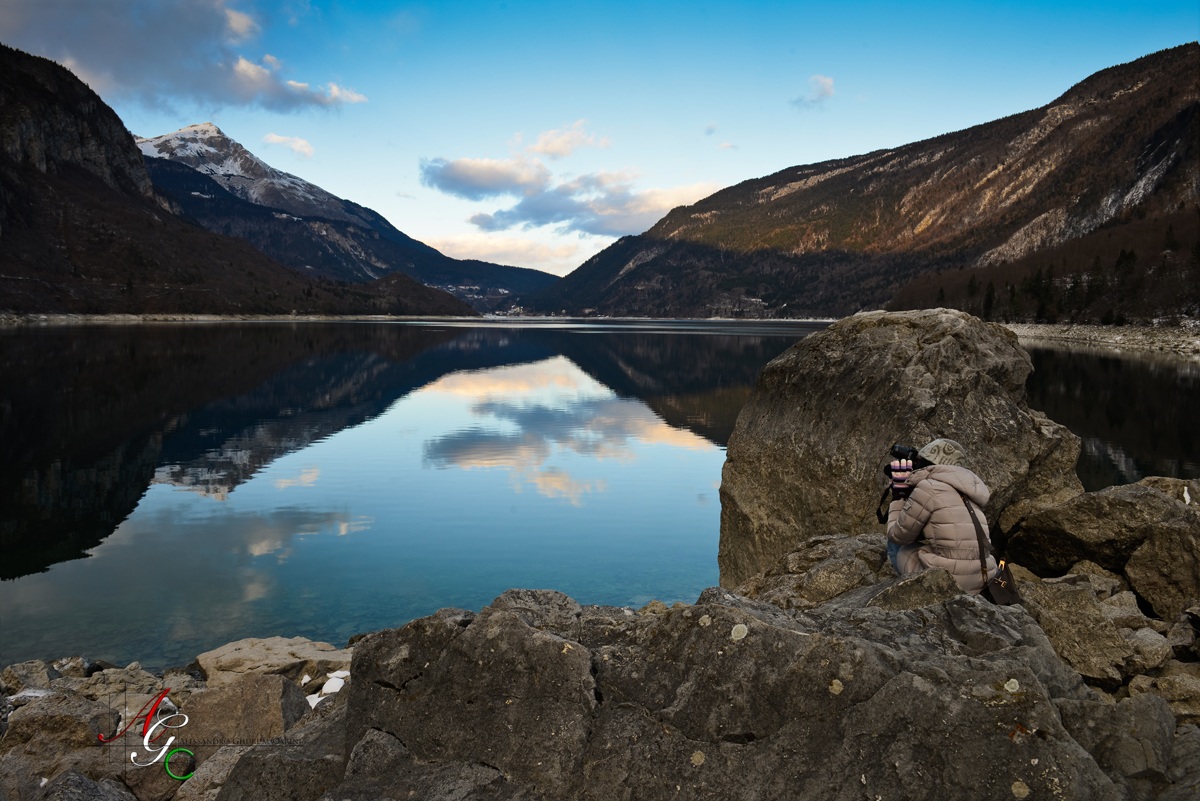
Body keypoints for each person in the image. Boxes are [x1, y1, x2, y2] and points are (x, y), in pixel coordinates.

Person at [885, 438, 997, 595]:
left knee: (894, 545)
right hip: (983, 577)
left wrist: (899, 496)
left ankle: (909, 592)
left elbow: (898, 535)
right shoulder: (970, 493)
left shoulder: (928, 488)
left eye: (918, 461)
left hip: (950, 581)